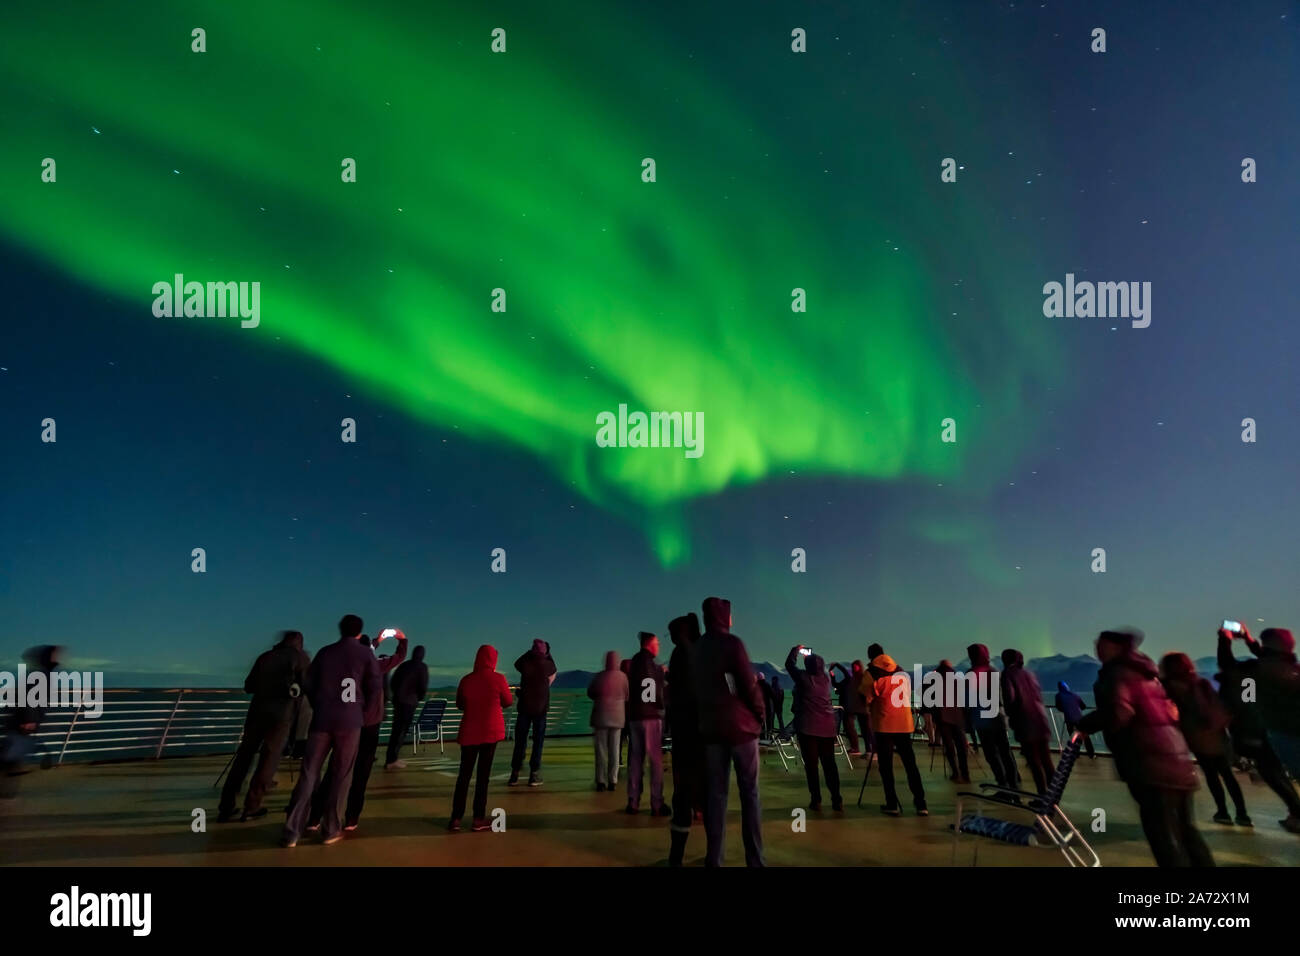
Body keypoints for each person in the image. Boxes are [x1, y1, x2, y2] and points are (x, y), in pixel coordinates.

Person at [1076, 628, 1213, 867]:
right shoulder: (1148, 674)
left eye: (1101, 644)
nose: (1097, 648)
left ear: (1116, 648)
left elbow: (1120, 712)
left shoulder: (1115, 673)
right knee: (1186, 831)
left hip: (1149, 764)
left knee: (1164, 836)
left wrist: (1085, 724)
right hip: (1177, 761)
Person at [281, 614, 381, 848]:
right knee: (341, 775)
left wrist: (319, 704)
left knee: (309, 774)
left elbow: (308, 682)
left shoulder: (326, 653)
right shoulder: (365, 654)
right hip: (350, 721)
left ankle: (292, 831)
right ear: (359, 632)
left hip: (323, 719)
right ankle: (330, 829)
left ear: (341, 629)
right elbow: (375, 688)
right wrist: (362, 713)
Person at [693, 596, 766, 866]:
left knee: (716, 796)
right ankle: (755, 860)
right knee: (750, 794)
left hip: (711, 731)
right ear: (726, 617)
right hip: (741, 729)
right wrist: (759, 714)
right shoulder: (732, 644)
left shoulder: (698, 648)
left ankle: (714, 859)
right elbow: (746, 685)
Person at [219, 631, 310, 822]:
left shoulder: (265, 657)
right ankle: (251, 806)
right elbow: (307, 685)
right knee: (269, 759)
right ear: (299, 643)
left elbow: (249, 686)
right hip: (281, 717)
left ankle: (226, 806)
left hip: (256, 713)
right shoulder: (300, 658)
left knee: (243, 757)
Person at [1216, 624, 1300, 832]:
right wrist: (1249, 640)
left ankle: (1297, 814)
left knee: (1274, 775)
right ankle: (1295, 814)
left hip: (1270, 734)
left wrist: (1224, 639)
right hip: (1291, 731)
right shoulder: (1291, 666)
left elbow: (1229, 667)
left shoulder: (1253, 672)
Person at [1159, 653, 1250, 826]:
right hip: (1217, 735)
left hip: (1196, 737)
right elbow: (1218, 707)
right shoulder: (1202, 684)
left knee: (1211, 776)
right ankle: (1242, 814)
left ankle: (1222, 811)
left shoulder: (1171, 688)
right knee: (1228, 776)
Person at [448, 645, 512, 831]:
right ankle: (478, 819)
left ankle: (456, 818)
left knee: (464, 776)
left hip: (469, 731)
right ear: (493, 660)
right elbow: (507, 701)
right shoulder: (499, 679)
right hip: (490, 732)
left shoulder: (467, 680)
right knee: (483, 777)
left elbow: (460, 704)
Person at [860, 653, 927, 816]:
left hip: (884, 726)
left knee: (886, 767)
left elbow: (865, 698)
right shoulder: (902, 677)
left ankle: (892, 804)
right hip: (904, 725)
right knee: (910, 765)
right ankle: (921, 804)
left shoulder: (876, 679)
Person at [785, 645, 842, 811]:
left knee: (812, 766)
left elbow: (789, 665)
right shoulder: (825, 679)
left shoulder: (803, 678)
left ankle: (816, 799)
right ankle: (837, 799)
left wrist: (795, 650)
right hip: (827, 728)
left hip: (808, 728)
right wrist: (809, 660)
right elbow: (814, 667)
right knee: (829, 765)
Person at [666, 613, 703, 865]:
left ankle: (676, 856)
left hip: (684, 733)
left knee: (681, 792)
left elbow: (678, 691)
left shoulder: (680, 654)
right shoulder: (704, 653)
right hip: (704, 731)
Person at [1000, 648, 1054, 794]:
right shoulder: (1029, 673)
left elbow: (1010, 698)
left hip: (1024, 722)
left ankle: (1042, 795)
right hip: (1041, 719)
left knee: (1034, 761)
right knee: (1046, 759)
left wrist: (1010, 715)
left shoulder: (1007, 674)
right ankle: (1054, 794)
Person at [626, 632, 669, 815]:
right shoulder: (653, 666)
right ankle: (656, 803)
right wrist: (662, 672)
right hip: (651, 716)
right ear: (650, 644)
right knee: (655, 761)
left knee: (635, 760)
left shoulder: (634, 663)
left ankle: (633, 801)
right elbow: (657, 690)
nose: (659, 646)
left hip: (635, 716)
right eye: (657, 643)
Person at [966, 643, 1015, 787]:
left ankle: (1002, 784)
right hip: (999, 717)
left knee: (991, 754)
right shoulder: (994, 671)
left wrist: (968, 720)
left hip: (983, 720)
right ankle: (1013, 786)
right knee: (1006, 752)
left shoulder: (971, 673)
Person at [509, 639, 557, 787]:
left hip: (524, 708)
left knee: (520, 742)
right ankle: (534, 774)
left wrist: (530, 652)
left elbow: (516, 663)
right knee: (538, 742)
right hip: (541, 709)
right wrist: (546, 654)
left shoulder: (526, 664)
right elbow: (554, 668)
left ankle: (515, 774)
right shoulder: (548, 665)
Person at [587, 651, 629, 791]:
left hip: (600, 717)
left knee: (601, 751)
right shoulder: (623, 677)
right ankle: (613, 780)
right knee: (615, 750)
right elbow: (627, 695)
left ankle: (601, 781)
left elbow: (591, 692)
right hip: (617, 718)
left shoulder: (599, 676)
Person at [385, 644, 429, 769]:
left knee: (396, 730)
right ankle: (392, 759)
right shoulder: (422, 667)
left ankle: (391, 758)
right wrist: (419, 698)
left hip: (398, 701)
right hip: (409, 703)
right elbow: (423, 686)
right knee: (402, 731)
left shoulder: (404, 665)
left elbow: (393, 682)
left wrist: (396, 696)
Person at [934, 660, 970, 783]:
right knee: (961, 746)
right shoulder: (957, 680)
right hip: (957, 716)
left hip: (943, 717)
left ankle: (955, 772)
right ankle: (965, 773)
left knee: (949, 747)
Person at [829, 661, 870, 754]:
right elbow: (836, 685)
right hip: (848, 706)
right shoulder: (848, 681)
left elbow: (844, 671)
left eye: (856, 667)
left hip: (856, 706)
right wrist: (832, 676)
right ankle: (855, 748)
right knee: (849, 727)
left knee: (863, 729)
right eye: (853, 667)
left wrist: (836, 665)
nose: (854, 669)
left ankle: (866, 749)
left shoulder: (857, 678)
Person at [1055, 681, 1096, 758]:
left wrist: (1066, 710)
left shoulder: (1058, 696)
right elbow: (1083, 706)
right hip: (1080, 719)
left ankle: (1076, 754)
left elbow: (1058, 707)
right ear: (1067, 687)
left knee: (1073, 737)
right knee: (1085, 736)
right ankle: (1092, 754)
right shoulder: (1075, 695)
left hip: (1069, 719)